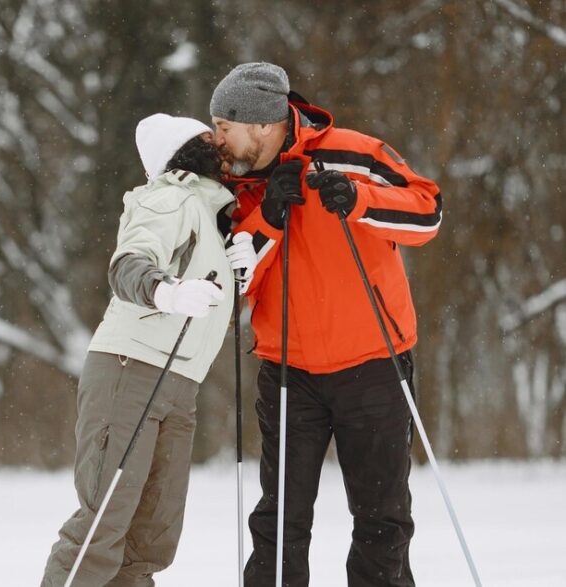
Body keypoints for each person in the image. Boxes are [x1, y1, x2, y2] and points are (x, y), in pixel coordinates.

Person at [209, 62, 443, 586]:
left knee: (382, 517)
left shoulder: (355, 152)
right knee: (279, 520)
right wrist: (268, 213)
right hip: (289, 372)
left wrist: (361, 199)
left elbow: (427, 213)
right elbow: (231, 280)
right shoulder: (232, 185)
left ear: (262, 125)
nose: (215, 138)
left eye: (224, 126)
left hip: (375, 365)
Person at [41, 113, 254, 586]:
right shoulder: (168, 196)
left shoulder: (213, 216)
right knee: (104, 524)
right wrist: (168, 291)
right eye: (206, 137)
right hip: (130, 370)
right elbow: (129, 265)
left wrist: (243, 267)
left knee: (150, 538)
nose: (218, 144)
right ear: (182, 152)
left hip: (180, 385)